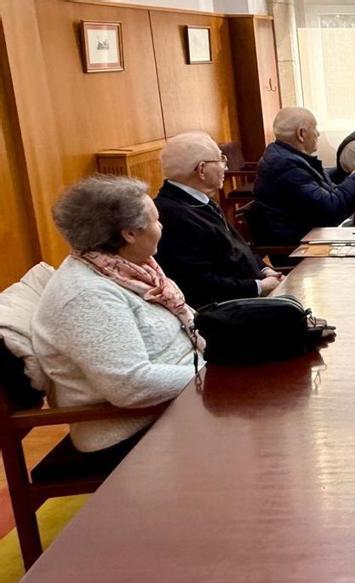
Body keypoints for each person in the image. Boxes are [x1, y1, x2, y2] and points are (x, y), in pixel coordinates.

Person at [32, 176, 203, 453]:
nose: (161, 226)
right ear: (129, 234)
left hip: (178, 401)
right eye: (155, 220)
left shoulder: (131, 269)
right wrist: (214, 374)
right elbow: (130, 385)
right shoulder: (86, 296)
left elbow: (188, 325)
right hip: (131, 432)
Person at [154, 132, 282, 308]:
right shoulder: (172, 215)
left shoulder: (200, 200)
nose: (225, 168)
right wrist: (259, 286)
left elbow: (238, 247)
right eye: (221, 160)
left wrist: (265, 270)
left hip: (250, 293)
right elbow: (200, 285)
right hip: (228, 309)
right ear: (201, 169)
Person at [251, 107, 355, 246]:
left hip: (312, 233)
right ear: (301, 133)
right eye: (315, 128)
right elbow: (332, 208)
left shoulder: (284, 155)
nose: (318, 133)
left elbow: (321, 185)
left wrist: (350, 172)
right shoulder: (286, 165)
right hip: (300, 245)